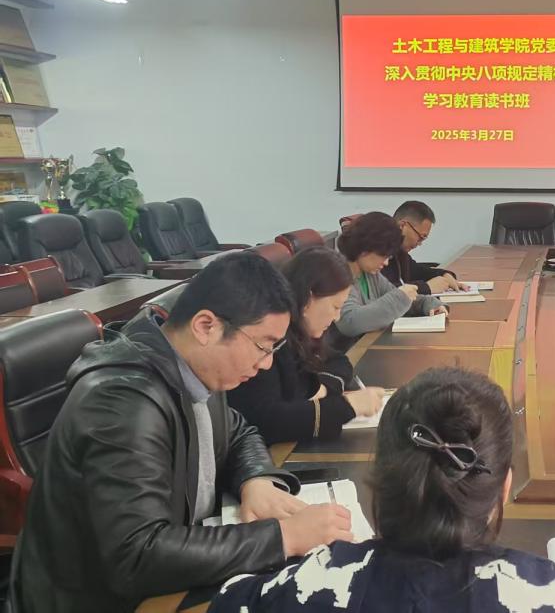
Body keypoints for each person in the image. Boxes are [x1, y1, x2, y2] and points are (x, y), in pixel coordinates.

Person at [10, 253, 354, 613]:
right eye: (262, 346)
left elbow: (238, 430)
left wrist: (256, 479)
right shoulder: (123, 402)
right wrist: (284, 537)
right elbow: (137, 556)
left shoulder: (192, 365)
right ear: (206, 326)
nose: (266, 363)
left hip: (174, 567)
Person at [208, 367, 555, 612]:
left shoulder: (319, 579)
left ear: (380, 477)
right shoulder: (546, 592)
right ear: (504, 487)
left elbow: (228, 600)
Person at [228, 247, 385, 445]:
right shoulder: (269, 336)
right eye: (335, 307)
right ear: (309, 298)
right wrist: (348, 406)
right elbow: (266, 421)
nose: (337, 317)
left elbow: (338, 360)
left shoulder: (302, 332)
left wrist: (322, 389)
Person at [332, 212, 446, 354]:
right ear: (364, 248)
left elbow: (396, 298)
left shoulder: (369, 274)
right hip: (348, 355)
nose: (386, 263)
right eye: (383, 255)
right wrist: (401, 296)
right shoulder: (337, 274)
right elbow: (350, 322)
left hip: (368, 348)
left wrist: (428, 304)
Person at [381, 200, 466, 294]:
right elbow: (383, 292)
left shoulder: (399, 252)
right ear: (402, 225)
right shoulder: (378, 249)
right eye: (420, 237)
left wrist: (445, 275)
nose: (420, 243)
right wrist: (427, 287)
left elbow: (418, 271)